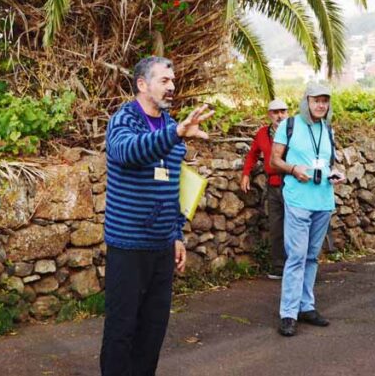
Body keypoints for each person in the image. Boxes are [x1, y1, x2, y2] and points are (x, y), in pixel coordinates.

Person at [100, 56, 214, 376]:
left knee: (153, 331)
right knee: (121, 330)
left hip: (162, 246)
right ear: (142, 84)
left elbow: (174, 186)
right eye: (164, 80)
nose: (172, 86)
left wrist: (176, 234)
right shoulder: (125, 120)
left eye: (173, 80)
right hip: (128, 246)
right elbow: (130, 151)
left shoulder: (169, 125)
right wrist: (176, 133)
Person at [269, 82, 344, 337]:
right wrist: (293, 169)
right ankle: (288, 314)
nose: (321, 105)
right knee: (297, 256)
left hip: (323, 199)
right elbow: (274, 160)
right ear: (306, 101)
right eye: (316, 100)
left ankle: (306, 306)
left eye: (325, 100)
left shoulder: (328, 129)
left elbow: (326, 162)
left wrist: (334, 174)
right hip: (298, 199)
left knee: (312, 256)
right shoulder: (289, 126)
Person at [239, 99, 289, 279]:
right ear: (269, 114)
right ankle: (278, 267)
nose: (279, 115)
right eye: (275, 112)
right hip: (273, 185)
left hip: (293, 184)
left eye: (283, 111)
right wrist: (246, 174)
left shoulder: (295, 132)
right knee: (276, 227)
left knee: (296, 227)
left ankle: (298, 266)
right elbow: (252, 154)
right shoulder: (262, 133)